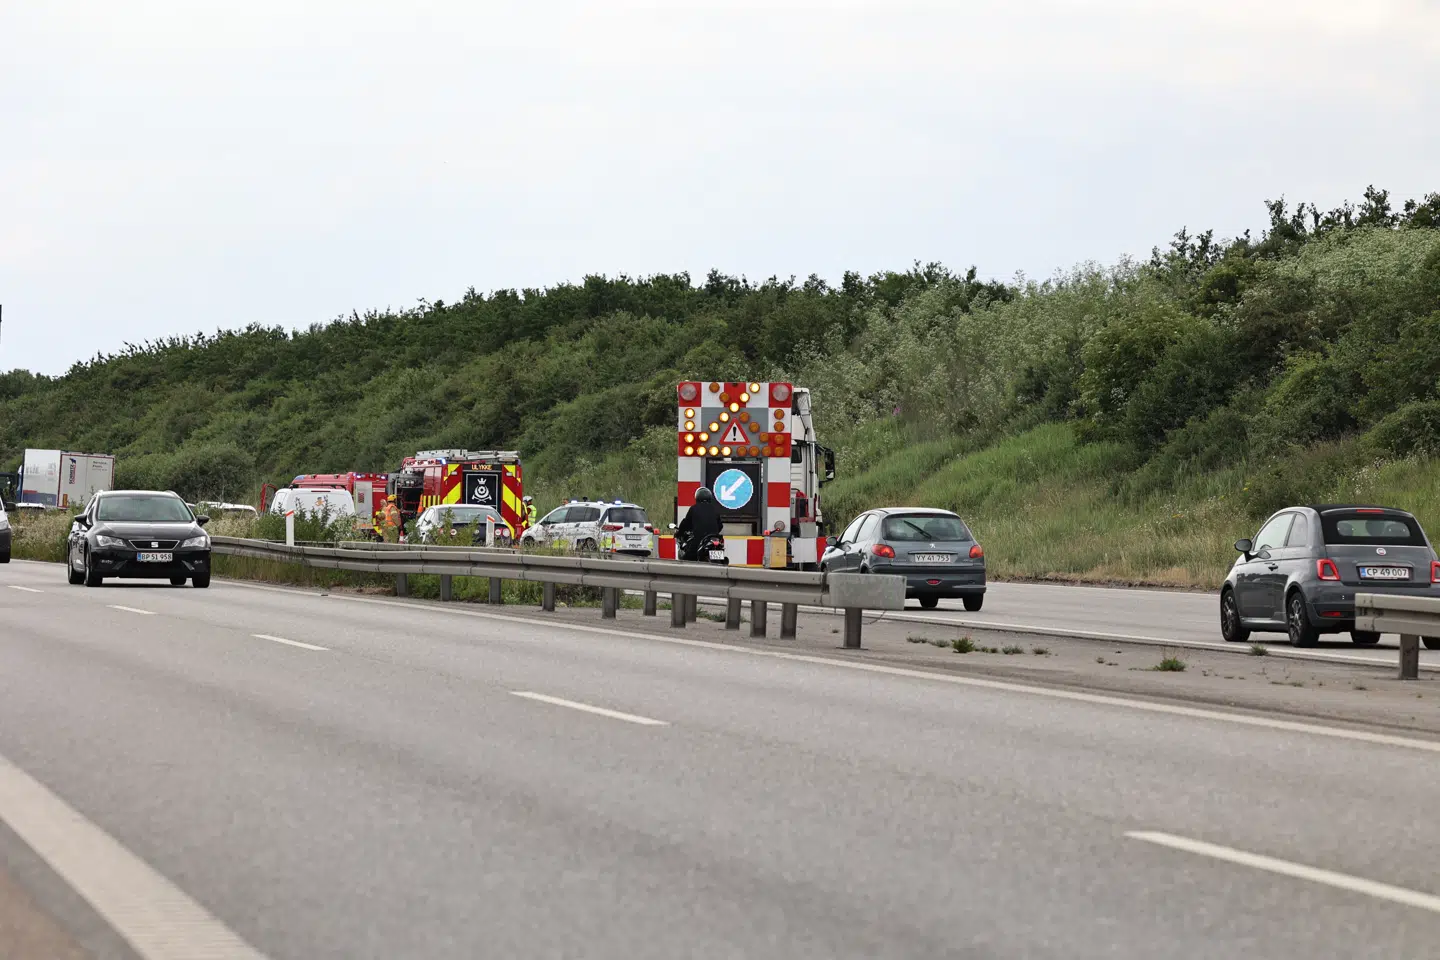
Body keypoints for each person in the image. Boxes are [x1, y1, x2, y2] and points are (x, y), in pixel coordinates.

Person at [676, 486, 722, 561]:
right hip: (715, 538)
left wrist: (679, 533)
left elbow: (686, 523)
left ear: (697, 497)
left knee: (687, 558)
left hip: (700, 538)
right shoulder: (714, 509)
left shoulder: (694, 508)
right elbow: (720, 525)